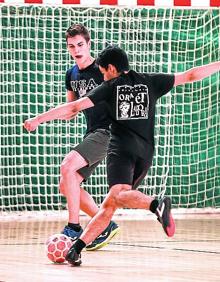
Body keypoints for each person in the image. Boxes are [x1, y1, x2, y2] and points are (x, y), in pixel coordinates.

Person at [24, 46, 220, 266]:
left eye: (104, 72)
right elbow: (191, 74)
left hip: (121, 152)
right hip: (145, 154)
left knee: (118, 196)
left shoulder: (109, 87)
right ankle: (76, 249)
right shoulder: (151, 81)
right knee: (111, 203)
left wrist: (39, 119)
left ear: (112, 68)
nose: (103, 77)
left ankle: (156, 205)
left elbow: (74, 108)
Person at [45, 24, 120, 250]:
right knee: (67, 184)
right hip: (93, 131)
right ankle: (104, 224)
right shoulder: (71, 74)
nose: (76, 49)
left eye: (80, 44)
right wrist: (54, 116)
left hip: (110, 131)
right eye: (71, 46)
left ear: (89, 45)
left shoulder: (103, 69)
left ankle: (74, 226)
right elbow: (72, 109)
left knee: (67, 166)